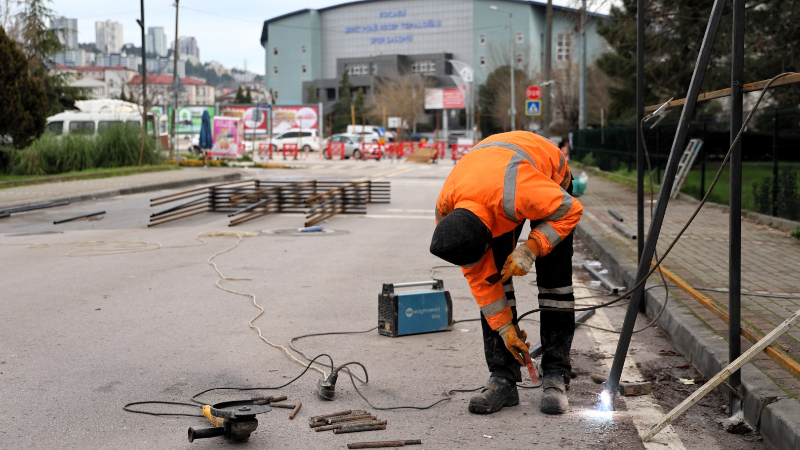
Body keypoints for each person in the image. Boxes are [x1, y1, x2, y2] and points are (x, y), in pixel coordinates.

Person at [430, 131, 583, 415]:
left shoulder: (518, 192)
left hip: (545, 180)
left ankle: (555, 374)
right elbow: (481, 279)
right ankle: (503, 378)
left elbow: (570, 210)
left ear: (488, 236)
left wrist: (532, 248)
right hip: (488, 188)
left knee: (555, 282)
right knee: (495, 277)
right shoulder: (449, 213)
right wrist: (504, 327)